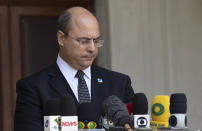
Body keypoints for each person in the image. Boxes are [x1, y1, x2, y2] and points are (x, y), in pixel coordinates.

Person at [14, 7, 135, 131]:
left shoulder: (119, 83)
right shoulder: (33, 88)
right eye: (84, 41)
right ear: (61, 38)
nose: (92, 48)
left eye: (96, 40)